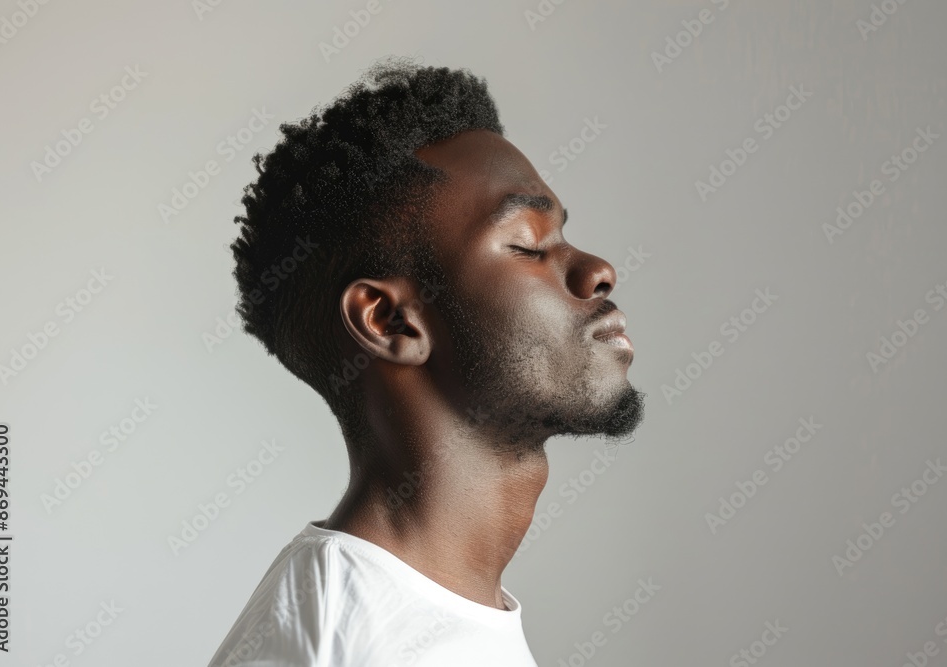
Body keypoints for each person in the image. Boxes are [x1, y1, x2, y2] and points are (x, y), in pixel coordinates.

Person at [208, 55, 645, 666]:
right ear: (389, 321)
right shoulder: (337, 634)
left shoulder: (442, 618)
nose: (598, 270)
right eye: (528, 244)